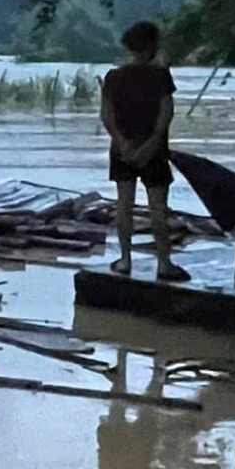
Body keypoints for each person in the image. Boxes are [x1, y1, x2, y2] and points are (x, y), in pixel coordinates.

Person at [100, 20, 189, 281]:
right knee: (158, 208)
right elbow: (166, 113)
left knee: (124, 205)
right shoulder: (161, 75)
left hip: (122, 150)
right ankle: (163, 263)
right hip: (155, 151)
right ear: (152, 45)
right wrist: (151, 143)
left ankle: (125, 260)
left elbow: (106, 116)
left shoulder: (113, 77)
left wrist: (121, 142)